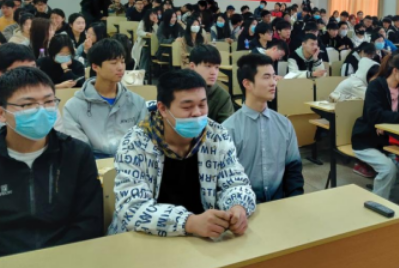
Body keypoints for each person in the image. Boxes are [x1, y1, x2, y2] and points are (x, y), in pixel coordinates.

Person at [108, 69, 256, 238]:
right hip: (146, 239)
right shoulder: (135, 144)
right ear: (163, 109)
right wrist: (189, 222)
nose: (197, 113)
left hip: (203, 238)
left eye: (202, 105)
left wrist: (237, 207)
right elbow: (132, 208)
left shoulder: (216, 135)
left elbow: (236, 183)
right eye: (187, 107)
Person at [0, 67, 103, 259]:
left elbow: (89, 221)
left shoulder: (76, 154)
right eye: (27, 104)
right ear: (1, 113)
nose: (41, 111)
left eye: (49, 102)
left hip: (68, 258)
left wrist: (54, 259)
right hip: (1, 263)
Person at [224, 54, 304, 203]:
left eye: (274, 76)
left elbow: (293, 167)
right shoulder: (228, 129)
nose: (273, 82)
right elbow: (225, 179)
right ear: (247, 83)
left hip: (280, 203)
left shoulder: (284, 124)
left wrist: (294, 201)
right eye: (266, 77)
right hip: (243, 207)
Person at [351, 54, 399, 206]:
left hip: (388, 140)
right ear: (395, 71)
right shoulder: (376, 86)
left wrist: (389, 122)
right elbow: (375, 115)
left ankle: (387, 203)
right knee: (388, 169)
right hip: (366, 140)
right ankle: (376, 207)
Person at [63, 39, 148, 158]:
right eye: (113, 63)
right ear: (95, 66)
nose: (120, 67)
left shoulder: (137, 102)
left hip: (131, 162)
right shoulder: (73, 107)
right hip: (93, 164)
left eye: (122, 62)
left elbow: (144, 140)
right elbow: (79, 149)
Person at [0, 44, 51, 142]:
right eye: (20, 72)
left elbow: (56, 135)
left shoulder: (45, 95)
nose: (30, 77)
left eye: (33, 69)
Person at [188, 45, 234, 124]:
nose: (214, 72)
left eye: (216, 67)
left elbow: (226, 129)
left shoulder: (222, 97)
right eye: (208, 66)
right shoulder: (179, 90)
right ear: (192, 67)